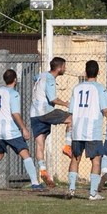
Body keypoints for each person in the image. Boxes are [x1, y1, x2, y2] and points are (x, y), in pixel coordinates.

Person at [66, 60, 107, 200]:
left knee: (75, 159)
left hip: (77, 129)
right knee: (96, 160)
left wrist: (68, 133)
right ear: (99, 72)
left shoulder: (76, 88)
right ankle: (93, 193)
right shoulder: (100, 88)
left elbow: (70, 113)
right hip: (92, 130)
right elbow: (105, 110)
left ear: (85, 72)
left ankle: (71, 189)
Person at [0, 69, 43, 190]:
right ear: (15, 80)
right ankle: (35, 183)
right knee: (26, 154)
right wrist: (24, 128)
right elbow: (15, 114)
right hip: (11, 131)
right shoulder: (14, 94)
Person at [30, 57, 72, 188]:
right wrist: (66, 103)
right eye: (64, 66)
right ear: (59, 68)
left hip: (34, 114)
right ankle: (67, 145)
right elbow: (53, 99)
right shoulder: (50, 79)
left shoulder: (42, 75)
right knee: (72, 119)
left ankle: (42, 170)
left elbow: (34, 77)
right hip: (45, 112)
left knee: (40, 142)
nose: (65, 69)